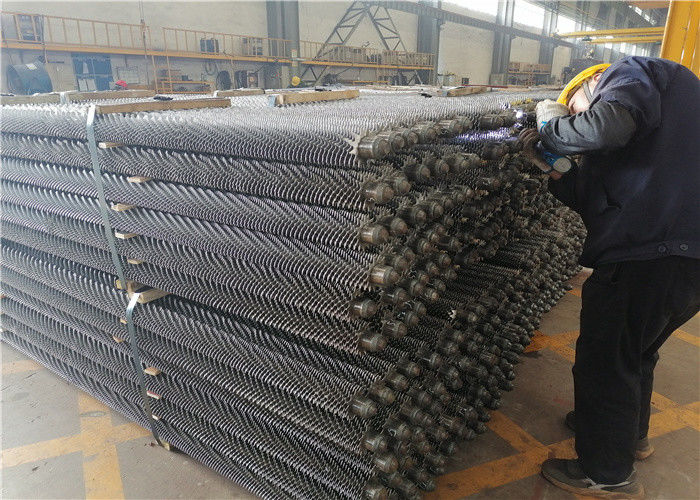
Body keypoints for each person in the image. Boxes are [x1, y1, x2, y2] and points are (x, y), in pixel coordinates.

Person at [519, 56, 700, 498]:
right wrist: (554, 167)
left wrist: (552, 129)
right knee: (635, 353)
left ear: (591, 84)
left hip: (648, 253)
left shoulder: (631, 71)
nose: (578, 122)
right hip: (682, 256)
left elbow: (606, 126)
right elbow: (594, 198)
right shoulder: (647, 141)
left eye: (576, 110)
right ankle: (627, 436)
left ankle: (606, 472)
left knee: (605, 362)